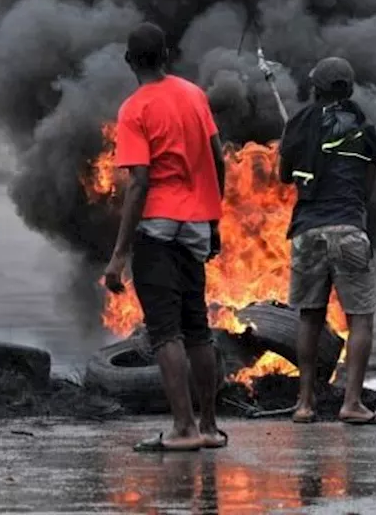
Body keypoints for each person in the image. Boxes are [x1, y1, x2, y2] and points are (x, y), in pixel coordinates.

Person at [104, 22, 229, 452]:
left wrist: (119, 255)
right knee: (198, 329)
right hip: (196, 225)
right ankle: (210, 427)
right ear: (168, 54)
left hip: (157, 228)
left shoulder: (133, 110)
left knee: (165, 332)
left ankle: (182, 428)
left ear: (128, 61)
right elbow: (217, 159)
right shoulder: (194, 94)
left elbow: (139, 182)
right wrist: (213, 219)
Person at [279, 56, 376, 425]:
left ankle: (304, 404)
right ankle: (352, 403)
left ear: (314, 87)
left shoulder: (300, 123)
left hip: (308, 231)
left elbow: (286, 176)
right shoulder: (362, 126)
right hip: (348, 229)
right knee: (360, 319)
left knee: (309, 318)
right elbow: (368, 185)